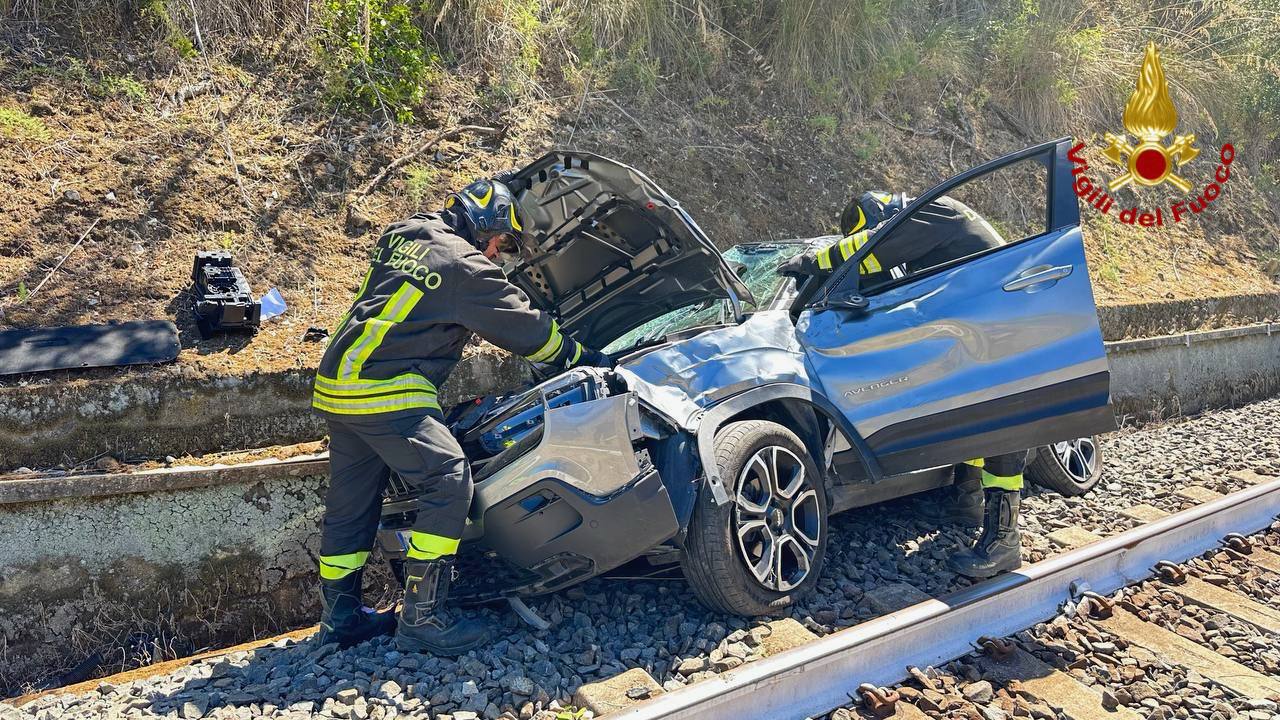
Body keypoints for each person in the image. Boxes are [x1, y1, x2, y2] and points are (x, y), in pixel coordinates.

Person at [311, 176, 610, 654]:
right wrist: (580, 356)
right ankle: (423, 618)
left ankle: (340, 619)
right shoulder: (467, 267)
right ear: (484, 224)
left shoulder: (405, 232)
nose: (499, 254)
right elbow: (528, 331)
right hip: (386, 389)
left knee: (351, 503)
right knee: (448, 478)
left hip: (338, 382)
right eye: (502, 242)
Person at [779, 190, 1029, 579]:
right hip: (980, 329)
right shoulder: (930, 230)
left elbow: (873, 250)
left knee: (1001, 428)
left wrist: (815, 260)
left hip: (1002, 328)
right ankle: (968, 502)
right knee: (976, 416)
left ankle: (1005, 540)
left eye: (873, 229)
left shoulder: (932, 212)